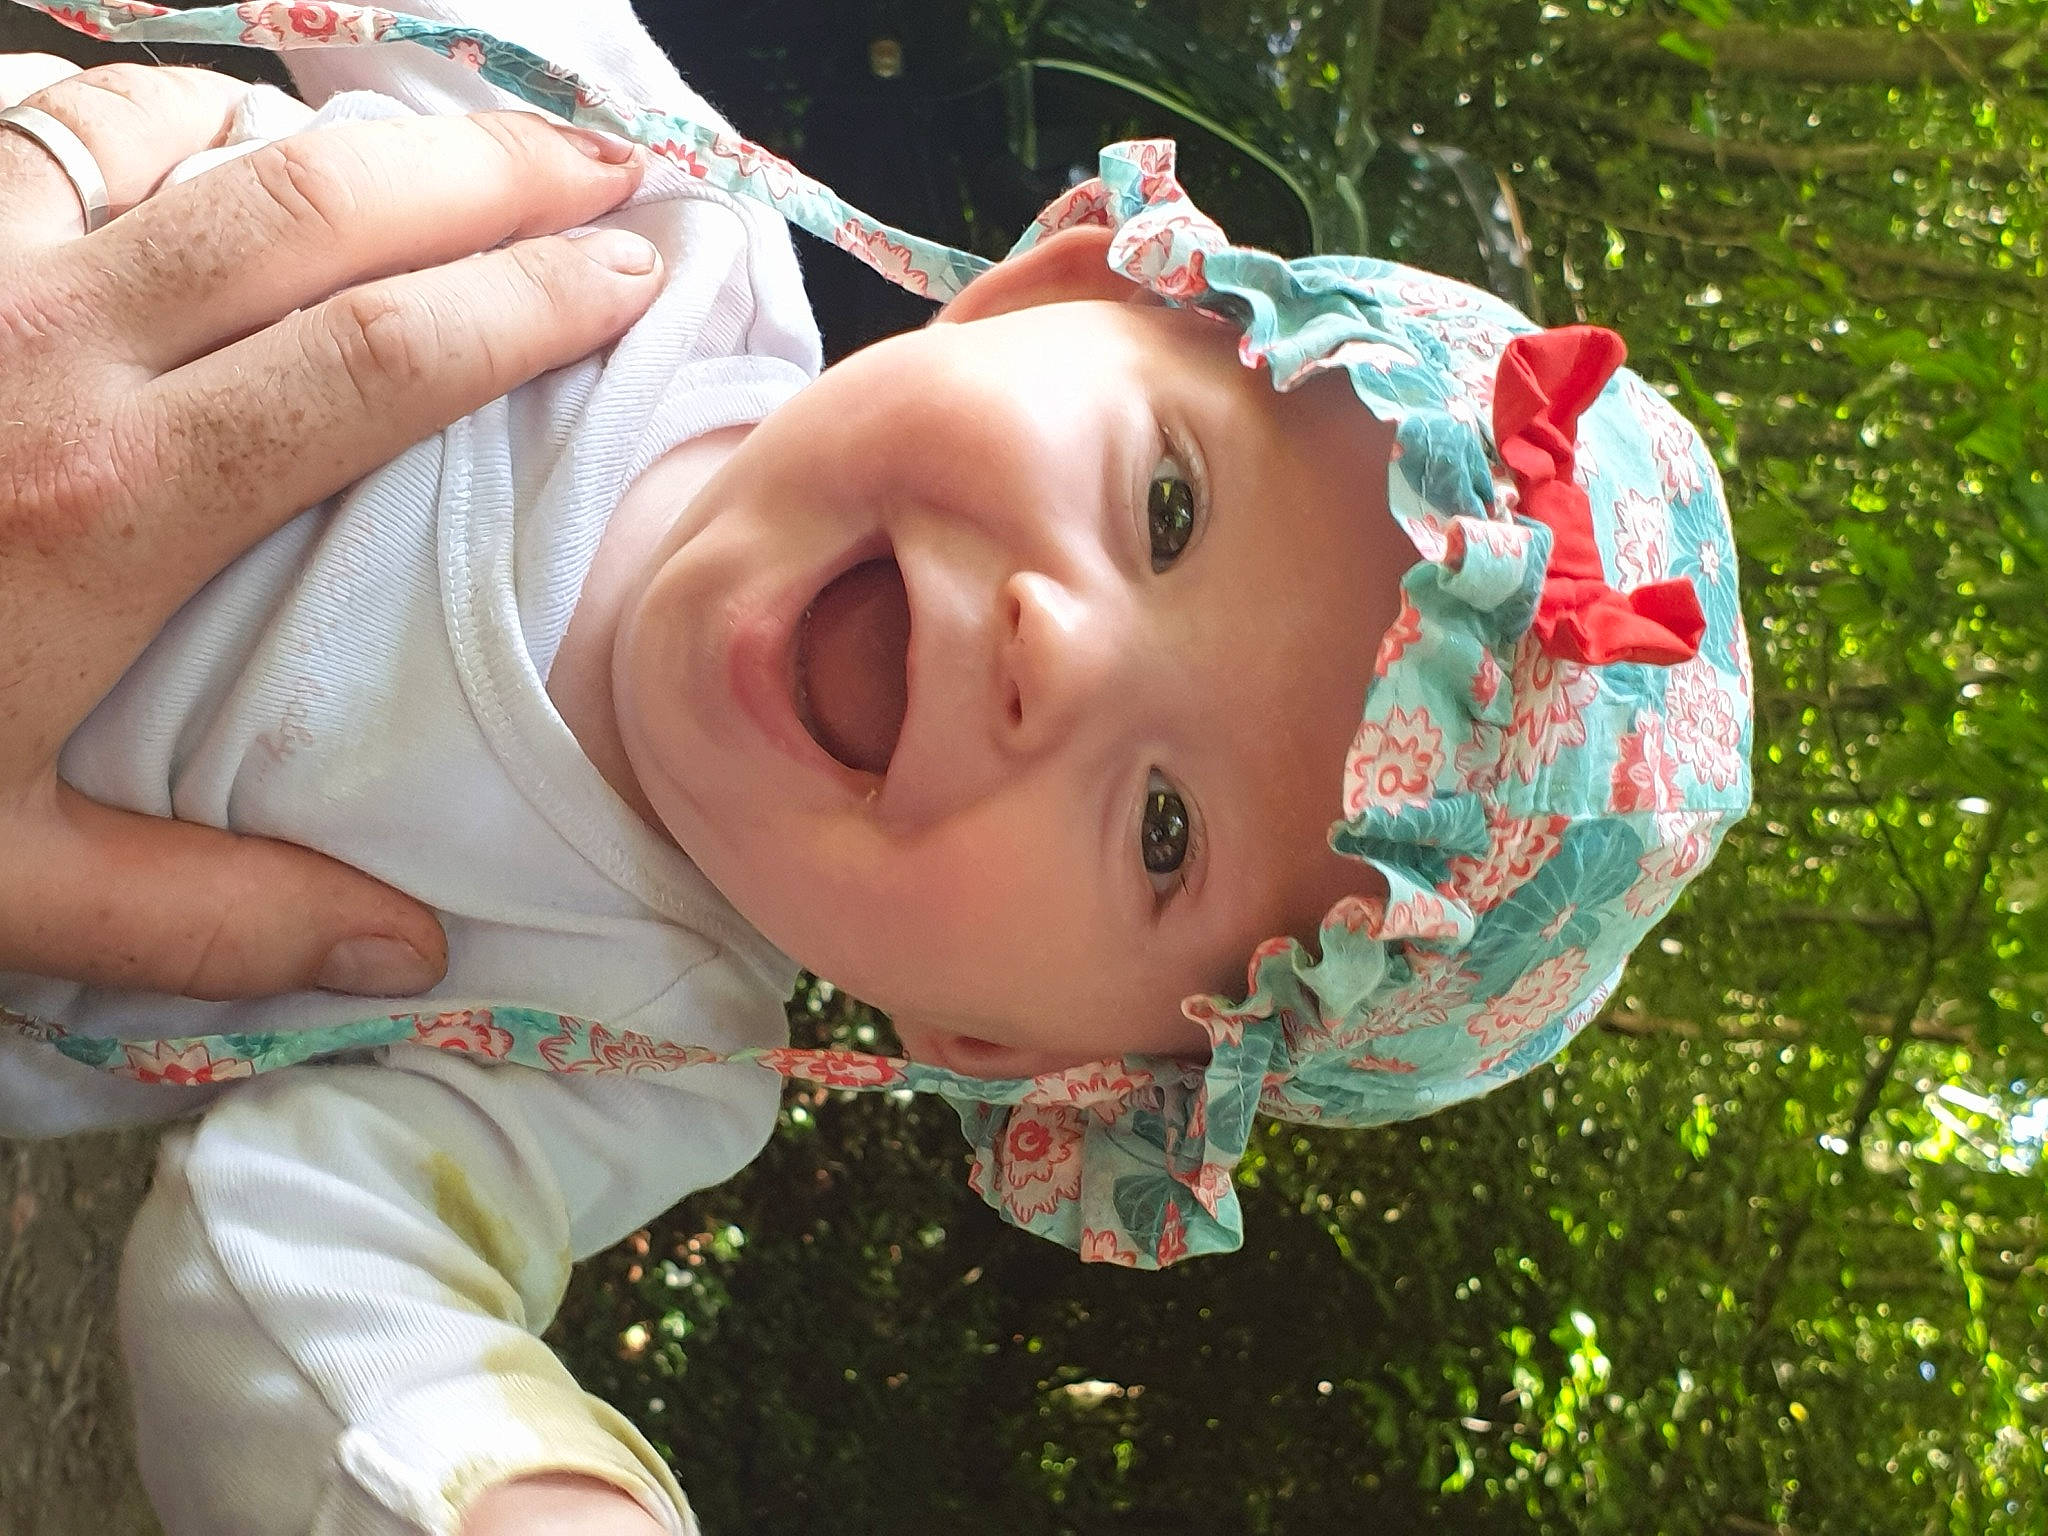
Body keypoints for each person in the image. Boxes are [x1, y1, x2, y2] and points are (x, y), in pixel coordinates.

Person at [0, 2, 1753, 1534]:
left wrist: (520, 1491)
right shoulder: (645, 201)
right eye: (1171, 505)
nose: (1056, 652)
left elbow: (289, 1284)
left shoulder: (633, 1049)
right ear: (1048, 289)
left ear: (1019, 1058)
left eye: (1165, 833)